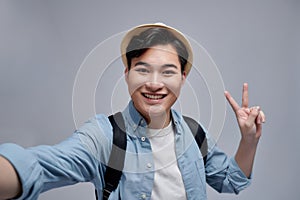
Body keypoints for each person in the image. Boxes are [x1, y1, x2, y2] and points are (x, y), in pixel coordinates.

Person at [0, 23, 265, 200]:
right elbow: (40, 166)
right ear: (127, 75)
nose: (154, 82)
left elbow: (232, 180)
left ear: (183, 78)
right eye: (143, 69)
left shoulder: (195, 133)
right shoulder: (105, 136)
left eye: (168, 72)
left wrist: (249, 141)